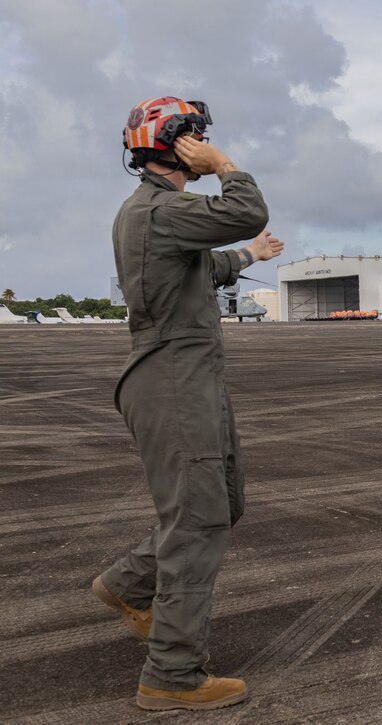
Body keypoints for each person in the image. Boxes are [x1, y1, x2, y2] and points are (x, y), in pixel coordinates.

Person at [92, 96, 283, 711]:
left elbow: (201, 263)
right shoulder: (160, 209)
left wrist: (251, 257)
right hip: (173, 378)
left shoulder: (157, 214)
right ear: (178, 143)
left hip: (187, 377)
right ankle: (172, 676)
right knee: (197, 520)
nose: (204, 143)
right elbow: (246, 208)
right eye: (196, 136)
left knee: (222, 504)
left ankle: (127, 586)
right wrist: (224, 162)